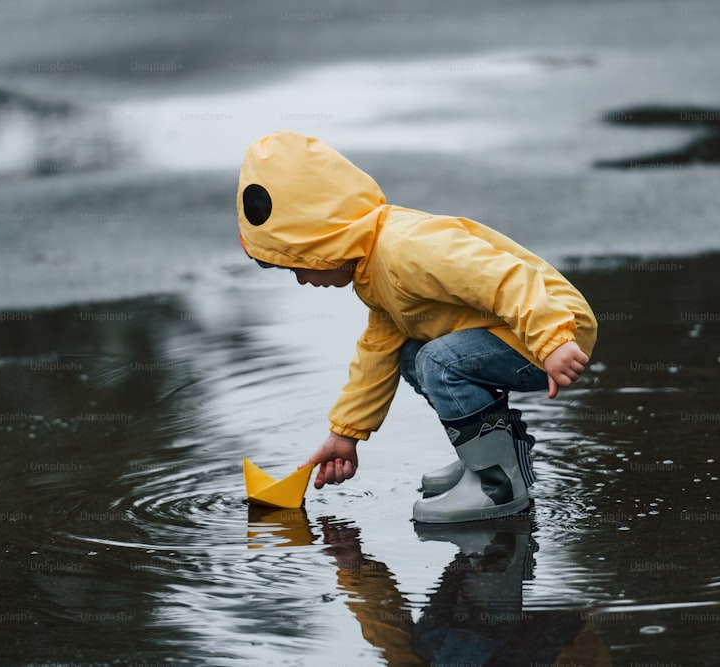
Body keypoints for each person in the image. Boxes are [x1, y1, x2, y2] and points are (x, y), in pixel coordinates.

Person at [236, 130, 597, 523]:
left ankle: (499, 485)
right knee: (408, 354)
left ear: (321, 240)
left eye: (296, 264)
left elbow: (505, 277)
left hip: (553, 330)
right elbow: (378, 353)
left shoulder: (406, 248)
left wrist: (553, 340)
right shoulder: (372, 270)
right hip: (521, 332)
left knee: (438, 362)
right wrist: (345, 434)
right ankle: (487, 458)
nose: (302, 279)